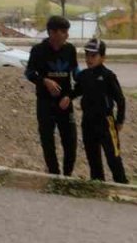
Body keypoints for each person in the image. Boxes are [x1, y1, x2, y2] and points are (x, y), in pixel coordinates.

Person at [25, 15, 78, 177]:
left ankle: (68, 175)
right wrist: (45, 81)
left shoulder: (70, 50)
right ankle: (54, 174)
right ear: (52, 33)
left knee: (70, 141)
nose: (66, 35)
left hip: (65, 102)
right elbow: (29, 73)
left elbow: (76, 74)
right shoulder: (38, 51)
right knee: (47, 140)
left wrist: (70, 96)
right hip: (45, 103)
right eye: (63, 32)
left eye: (67, 32)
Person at [73, 39, 128, 184]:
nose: (89, 59)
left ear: (103, 57)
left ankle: (122, 184)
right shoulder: (83, 76)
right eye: (87, 55)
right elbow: (76, 91)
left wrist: (120, 120)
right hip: (88, 121)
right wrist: (66, 97)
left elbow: (120, 99)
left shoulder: (108, 76)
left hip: (106, 122)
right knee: (92, 155)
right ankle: (98, 183)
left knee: (113, 155)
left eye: (93, 56)